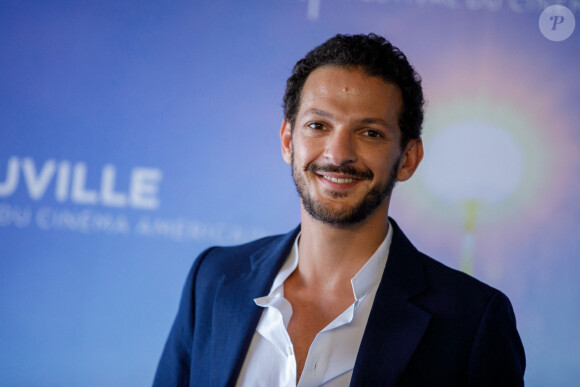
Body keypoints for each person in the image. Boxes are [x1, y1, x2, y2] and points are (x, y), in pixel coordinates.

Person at [153, 33, 525, 386]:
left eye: (370, 133)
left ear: (408, 159)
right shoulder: (214, 278)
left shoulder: (472, 320)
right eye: (318, 125)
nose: (338, 154)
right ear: (288, 141)